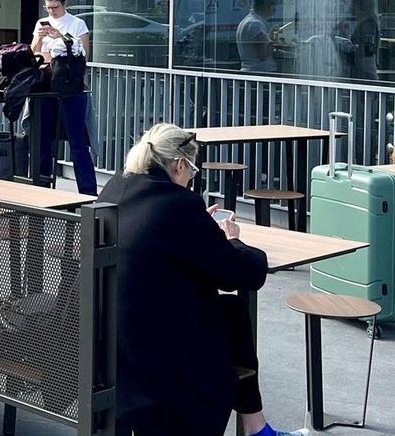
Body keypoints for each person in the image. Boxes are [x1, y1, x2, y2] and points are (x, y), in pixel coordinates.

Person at [99, 123, 278, 436]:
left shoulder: (115, 188)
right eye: (192, 174)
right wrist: (230, 238)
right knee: (234, 313)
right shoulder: (177, 206)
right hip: (159, 354)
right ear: (179, 164)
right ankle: (256, 428)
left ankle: (256, 425)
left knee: (232, 312)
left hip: (111, 342)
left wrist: (200, 227)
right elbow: (244, 273)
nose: (190, 182)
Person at [29, 0, 97, 195]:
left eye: (55, 8)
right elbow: (33, 54)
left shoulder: (77, 24)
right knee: (43, 139)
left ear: (65, 5)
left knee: (77, 141)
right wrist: (40, 38)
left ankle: (87, 192)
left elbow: (83, 55)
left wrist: (60, 38)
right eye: (48, 8)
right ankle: (41, 186)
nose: (51, 12)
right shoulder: (41, 23)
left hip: (70, 86)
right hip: (46, 83)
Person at [235, 0, 279, 73]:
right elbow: (263, 55)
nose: (275, 10)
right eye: (274, 6)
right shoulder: (255, 24)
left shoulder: (247, 21)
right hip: (261, 72)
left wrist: (269, 36)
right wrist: (274, 41)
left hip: (251, 71)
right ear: (266, 6)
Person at [346, 0, 380, 81]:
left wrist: (351, 49)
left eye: (350, 2)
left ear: (356, 5)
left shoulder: (367, 24)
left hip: (364, 72)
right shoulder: (365, 22)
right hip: (361, 70)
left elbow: (367, 49)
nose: (348, 5)